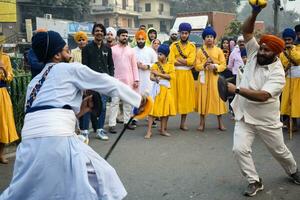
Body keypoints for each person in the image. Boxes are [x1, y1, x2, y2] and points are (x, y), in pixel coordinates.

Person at [0, 30, 147, 200]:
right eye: (65, 48)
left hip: (28, 145)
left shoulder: (33, 83)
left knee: (28, 193)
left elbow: (40, 115)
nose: (69, 51)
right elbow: (107, 82)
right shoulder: (70, 69)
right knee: (97, 180)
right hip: (59, 141)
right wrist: (138, 100)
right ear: (56, 55)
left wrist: (79, 112)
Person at [228, 7, 300, 197]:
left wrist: (235, 90)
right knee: (239, 149)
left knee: (280, 151)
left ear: (275, 54)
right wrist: (254, 13)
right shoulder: (254, 52)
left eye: (266, 50)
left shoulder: (278, 74)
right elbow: (247, 32)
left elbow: (262, 96)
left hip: (266, 121)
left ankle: (293, 170)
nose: (261, 51)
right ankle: (254, 180)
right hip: (244, 116)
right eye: (261, 47)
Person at [81, 23, 114, 140]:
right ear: (93, 33)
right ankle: (84, 131)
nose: (99, 32)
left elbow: (111, 66)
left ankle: (100, 130)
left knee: (103, 107)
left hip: (104, 82)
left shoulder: (107, 49)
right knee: (88, 106)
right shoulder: (86, 48)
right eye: (97, 31)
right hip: (90, 82)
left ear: (104, 34)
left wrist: (111, 79)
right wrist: (85, 84)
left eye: (101, 31)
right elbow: (84, 67)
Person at [194, 26, 227, 131]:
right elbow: (196, 66)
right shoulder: (200, 51)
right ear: (204, 38)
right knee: (203, 99)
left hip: (215, 79)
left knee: (217, 99)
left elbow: (223, 65)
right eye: (207, 36)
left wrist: (215, 66)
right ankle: (201, 123)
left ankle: (220, 123)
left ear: (214, 38)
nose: (209, 38)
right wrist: (204, 64)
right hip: (203, 79)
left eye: (211, 36)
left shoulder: (219, 50)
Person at [109, 29, 139, 133]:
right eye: (123, 35)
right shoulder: (112, 50)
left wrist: (136, 79)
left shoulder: (131, 50)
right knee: (114, 103)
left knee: (128, 103)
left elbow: (134, 66)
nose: (125, 37)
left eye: (126, 36)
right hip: (116, 81)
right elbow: (110, 66)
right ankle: (112, 124)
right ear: (118, 37)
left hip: (128, 81)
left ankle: (127, 122)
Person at [168, 22, 196, 131]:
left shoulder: (192, 46)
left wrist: (179, 60)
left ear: (189, 34)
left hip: (187, 76)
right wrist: (184, 61)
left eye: (186, 33)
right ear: (179, 33)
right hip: (175, 74)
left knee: (185, 98)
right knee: (172, 98)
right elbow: (170, 60)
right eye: (182, 33)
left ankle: (183, 123)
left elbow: (191, 61)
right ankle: (165, 123)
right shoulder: (174, 46)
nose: (184, 35)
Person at [145, 44, 176, 139]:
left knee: (165, 110)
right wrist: (155, 79)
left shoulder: (170, 65)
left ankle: (163, 130)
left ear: (166, 55)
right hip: (157, 90)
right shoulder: (155, 65)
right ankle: (149, 131)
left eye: (161, 54)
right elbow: (151, 77)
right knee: (152, 111)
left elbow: (172, 77)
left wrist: (158, 74)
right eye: (158, 54)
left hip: (166, 90)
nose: (159, 56)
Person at [0, 46, 19, 164]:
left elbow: (9, 77)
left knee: (3, 123)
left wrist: (3, 68)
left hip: (2, 94)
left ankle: (0, 154)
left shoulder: (5, 58)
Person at [279, 28, 300, 132]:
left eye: (289, 40)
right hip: (287, 80)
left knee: (296, 102)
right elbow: (282, 66)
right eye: (286, 40)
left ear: (293, 40)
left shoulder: (297, 49)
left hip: (297, 81)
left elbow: (297, 60)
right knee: (287, 102)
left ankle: (295, 124)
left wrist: (291, 50)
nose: (287, 42)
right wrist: (286, 66)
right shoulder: (282, 53)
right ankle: (289, 123)